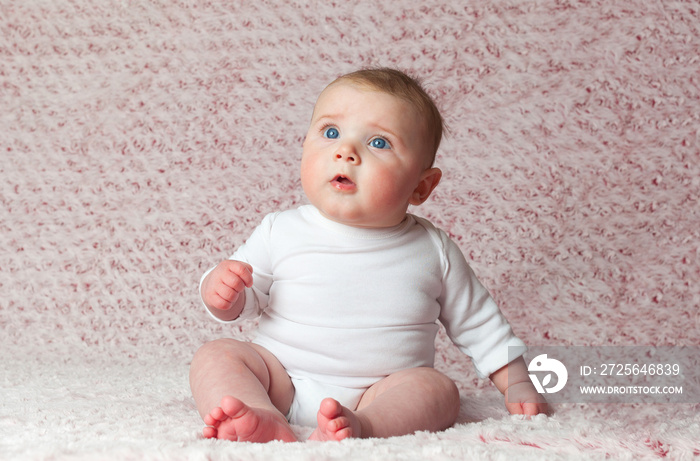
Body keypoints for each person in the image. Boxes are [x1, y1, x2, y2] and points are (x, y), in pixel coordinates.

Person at [189, 68, 548, 443]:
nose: (346, 152)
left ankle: (363, 428)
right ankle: (260, 416)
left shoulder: (432, 249)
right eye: (330, 133)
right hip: (282, 380)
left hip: (379, 393)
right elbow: (247, 299)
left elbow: (479, 322)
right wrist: (223, 292)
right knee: (216, 356)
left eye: (378, 143)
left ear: (422, 186)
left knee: (437, 389)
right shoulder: (280, 229)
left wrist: (516, 381)